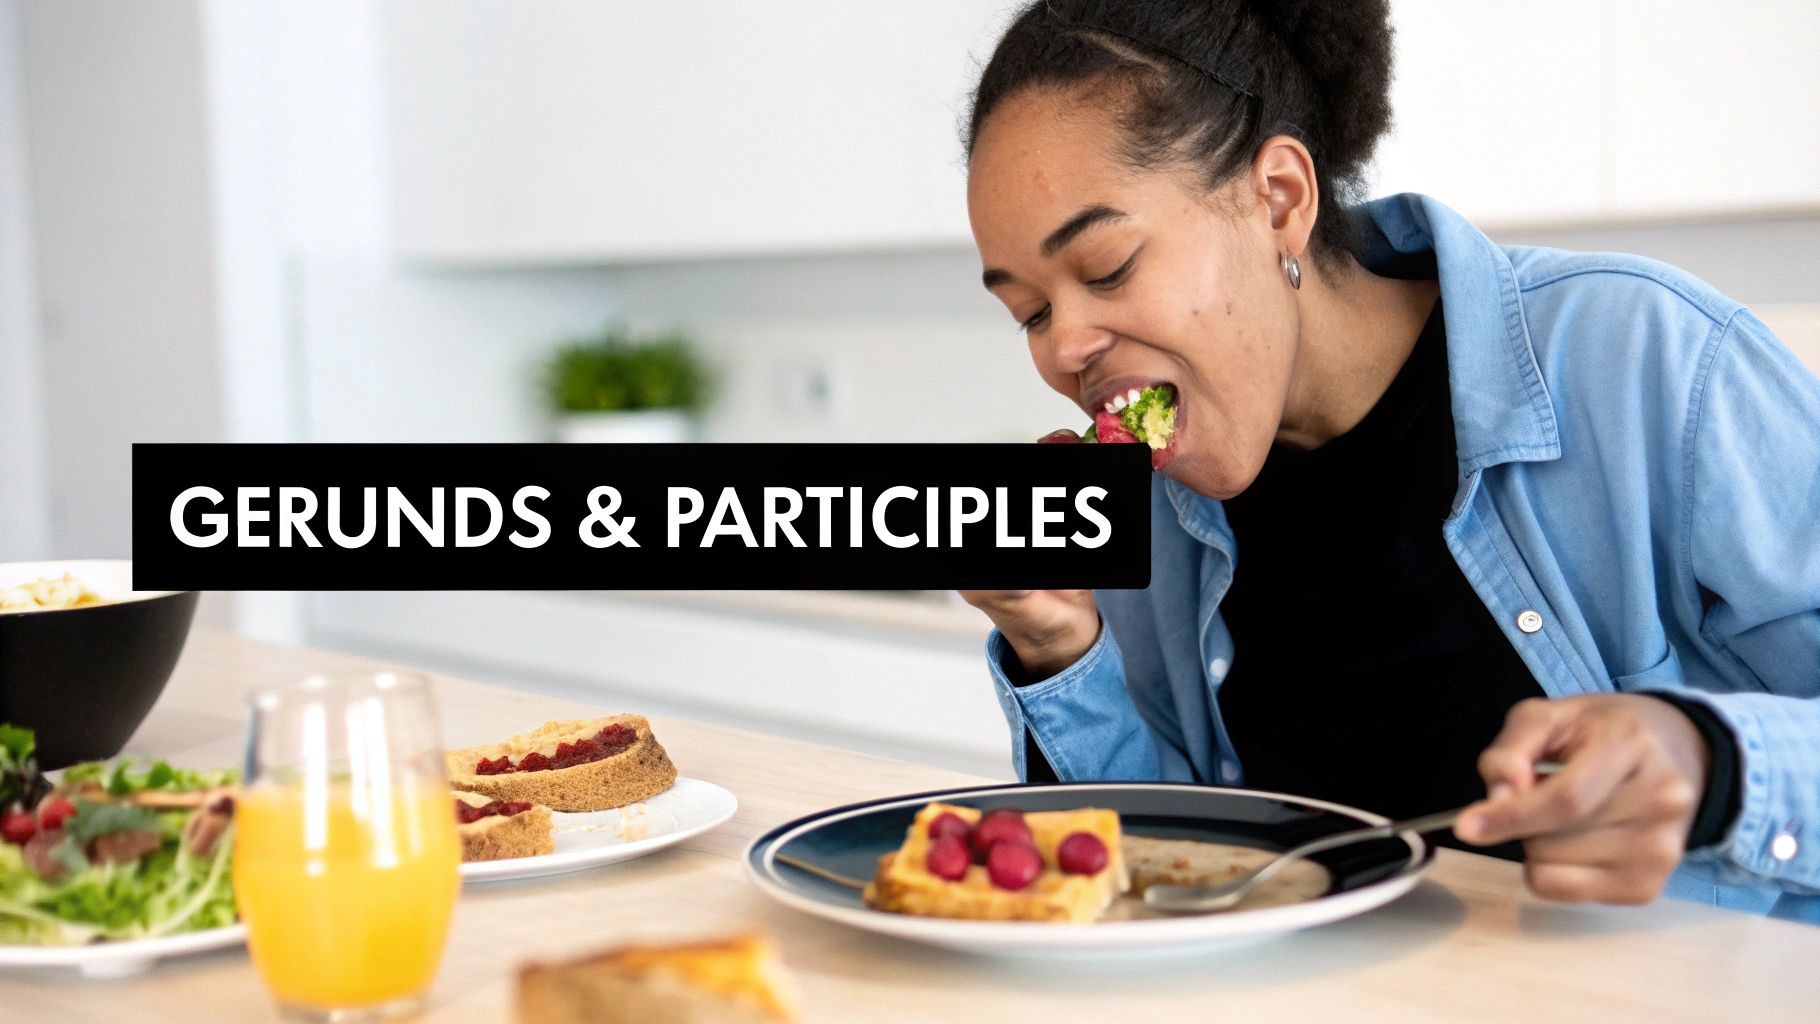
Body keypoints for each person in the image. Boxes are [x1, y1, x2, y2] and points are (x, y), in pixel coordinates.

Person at [957, 0, 1820, 923]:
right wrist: (1059, 647)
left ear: (1278, 199)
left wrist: (1711, 764)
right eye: (1030, 313)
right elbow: (1158, 873)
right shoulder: (1143, 509)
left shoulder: (1650, 359)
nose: (1062, 352)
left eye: (1107, 267)